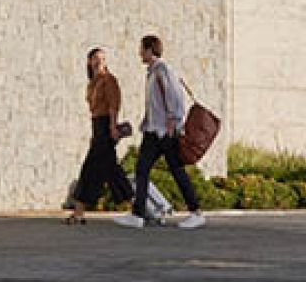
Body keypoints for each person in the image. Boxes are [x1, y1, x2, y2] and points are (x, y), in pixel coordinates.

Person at [114, 34, 205, 230]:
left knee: (176, 171)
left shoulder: (162, 69)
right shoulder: (152, 71)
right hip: (153, 131)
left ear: (149, 50)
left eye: (142, 49)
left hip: (165, 132)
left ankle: (196, 212)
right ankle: (138, 215)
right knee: (142, 169)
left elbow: (175, 97)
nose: (139, 53)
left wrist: (173, 119)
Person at [66, 47, 134, 224]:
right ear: (89, 61)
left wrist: (112, 126)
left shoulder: (108, 80)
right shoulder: (93, 82)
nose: (99, 62)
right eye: (96, 58)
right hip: (97, 127)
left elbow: (113, 105)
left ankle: (79, 211)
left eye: (102, 59)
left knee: (89, 168)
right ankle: (136, 206)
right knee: (111, 169)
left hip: (105, 126)